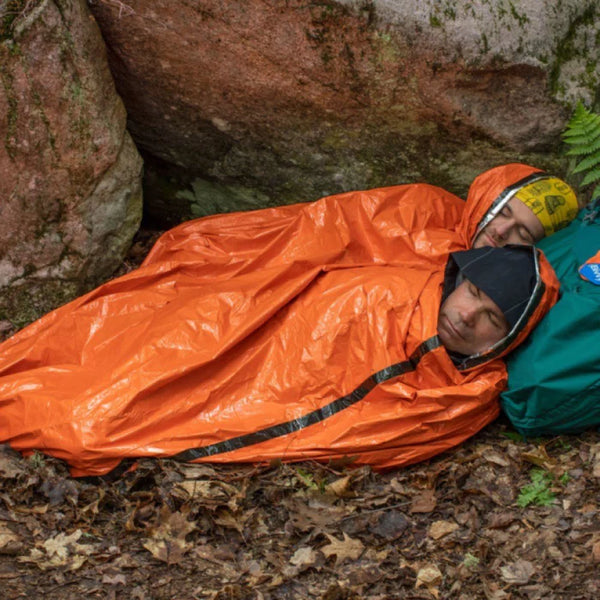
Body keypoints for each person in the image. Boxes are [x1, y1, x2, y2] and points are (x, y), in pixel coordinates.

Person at [0, 244, 558, 476]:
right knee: (133, 357)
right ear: (460, 280)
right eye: (473, 295)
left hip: (258, 393)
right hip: (247, 326)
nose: (467, 315)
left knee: (98, 423)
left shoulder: (465, 397)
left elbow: (344, 425)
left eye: (491, 318)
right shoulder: (394, 292)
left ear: (504, 340)